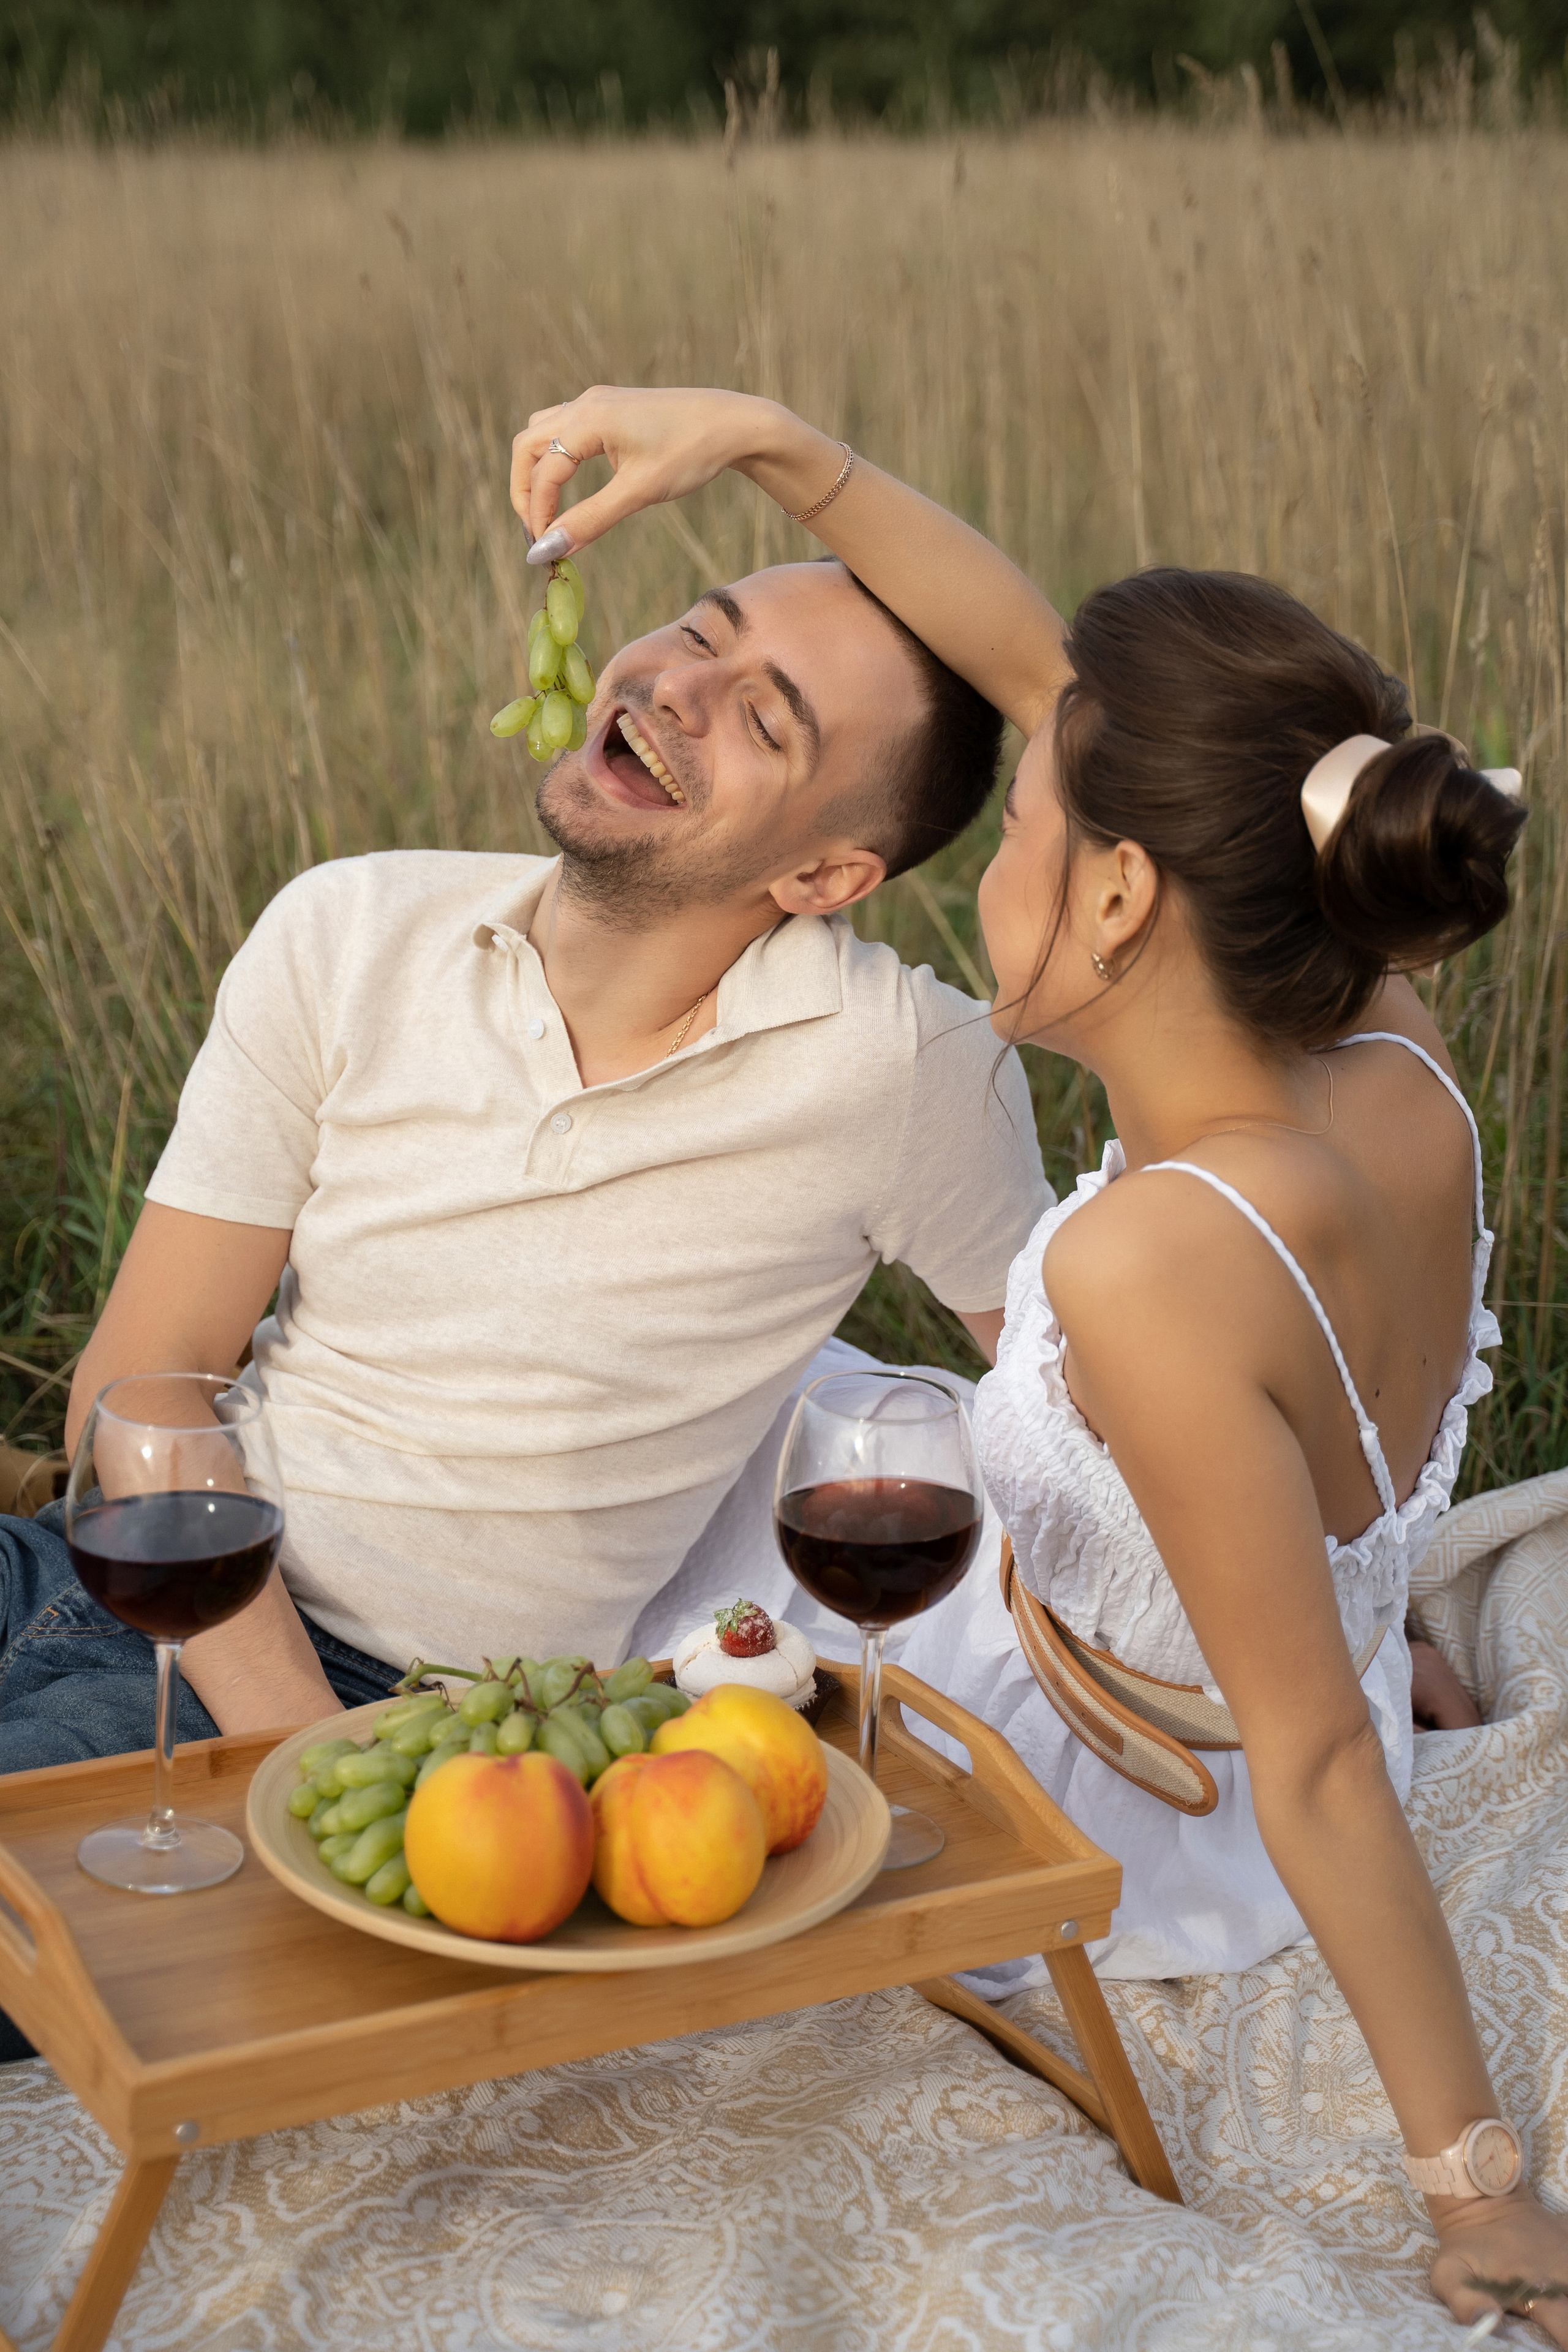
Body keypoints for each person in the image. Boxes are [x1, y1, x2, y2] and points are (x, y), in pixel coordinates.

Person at [508, 385, 1567, 2337]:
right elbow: (1032, 659)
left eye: (1017, 832)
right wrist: (765, 443)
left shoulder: (1158, 1262)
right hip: (1264, 1639)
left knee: (612, 1564)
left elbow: (1324, 1764)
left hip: (1132, 1781)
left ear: (1122, 893)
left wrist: (1480, 2191)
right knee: (750, 1396)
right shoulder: (1379, 1031)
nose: (982, 872)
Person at [0, 527, 1051, 1776]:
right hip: (147, 1565)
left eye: (764, 721)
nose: (678, 686)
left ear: (825, 874)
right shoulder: (351, 927)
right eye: (698, 631)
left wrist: (316, 1768)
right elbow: (142, 1377)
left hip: (373, 1692)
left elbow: (1080, 1412)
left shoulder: (908, 1066)